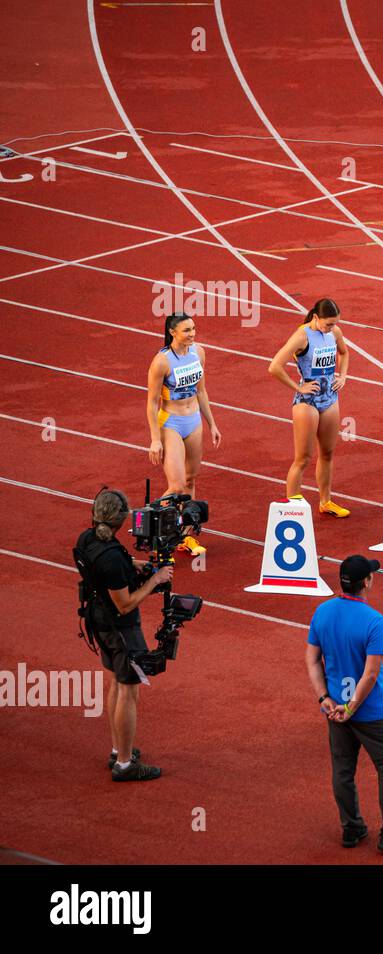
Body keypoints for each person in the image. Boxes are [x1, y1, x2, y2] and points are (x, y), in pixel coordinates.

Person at [305, 555, 383, 854]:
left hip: (334, 710)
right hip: (371, 712)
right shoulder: (374, 621)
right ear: (366, 582)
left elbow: (312, 659)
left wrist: (324, 698)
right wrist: (352, 706)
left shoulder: (323, 611)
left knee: (343, 770)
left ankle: (351, 827)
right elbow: (370, 674)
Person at [74, 488, 172, 782]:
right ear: (121, 520)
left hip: (98, 620)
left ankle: (119, 750)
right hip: (120, 629)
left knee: (117, 682)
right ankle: (126, 764)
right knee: (129, 688)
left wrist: (133, 564)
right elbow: (125, 602)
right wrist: (154, 579)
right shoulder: (113, 559)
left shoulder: (87, 539)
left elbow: (106, 568)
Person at [268, 298, 352, 517]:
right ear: (316, 318)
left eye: (335, 324)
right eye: (329, 324)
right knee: (303, 458)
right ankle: (291, 509)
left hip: (330, 398)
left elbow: (344, 353)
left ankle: (326, 501)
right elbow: (274, 366)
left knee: (328, 453)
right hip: (308, 403)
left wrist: (342, 376)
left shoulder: (335, 333)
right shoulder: (302, 336)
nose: (332, 328)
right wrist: (298, 386)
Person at [146, 313, 220, 556]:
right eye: (187, 330)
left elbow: (202, 391)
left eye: (193, 329)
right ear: (172, 333)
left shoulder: (199, 352)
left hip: (194, 420)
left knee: (190, 481)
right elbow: (152, 402)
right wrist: (155, 439)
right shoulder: (162, 362)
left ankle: (185, 537)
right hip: (171, 423)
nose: (192, 334)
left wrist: (212, 424)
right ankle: (153, 530)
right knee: (176, 487)